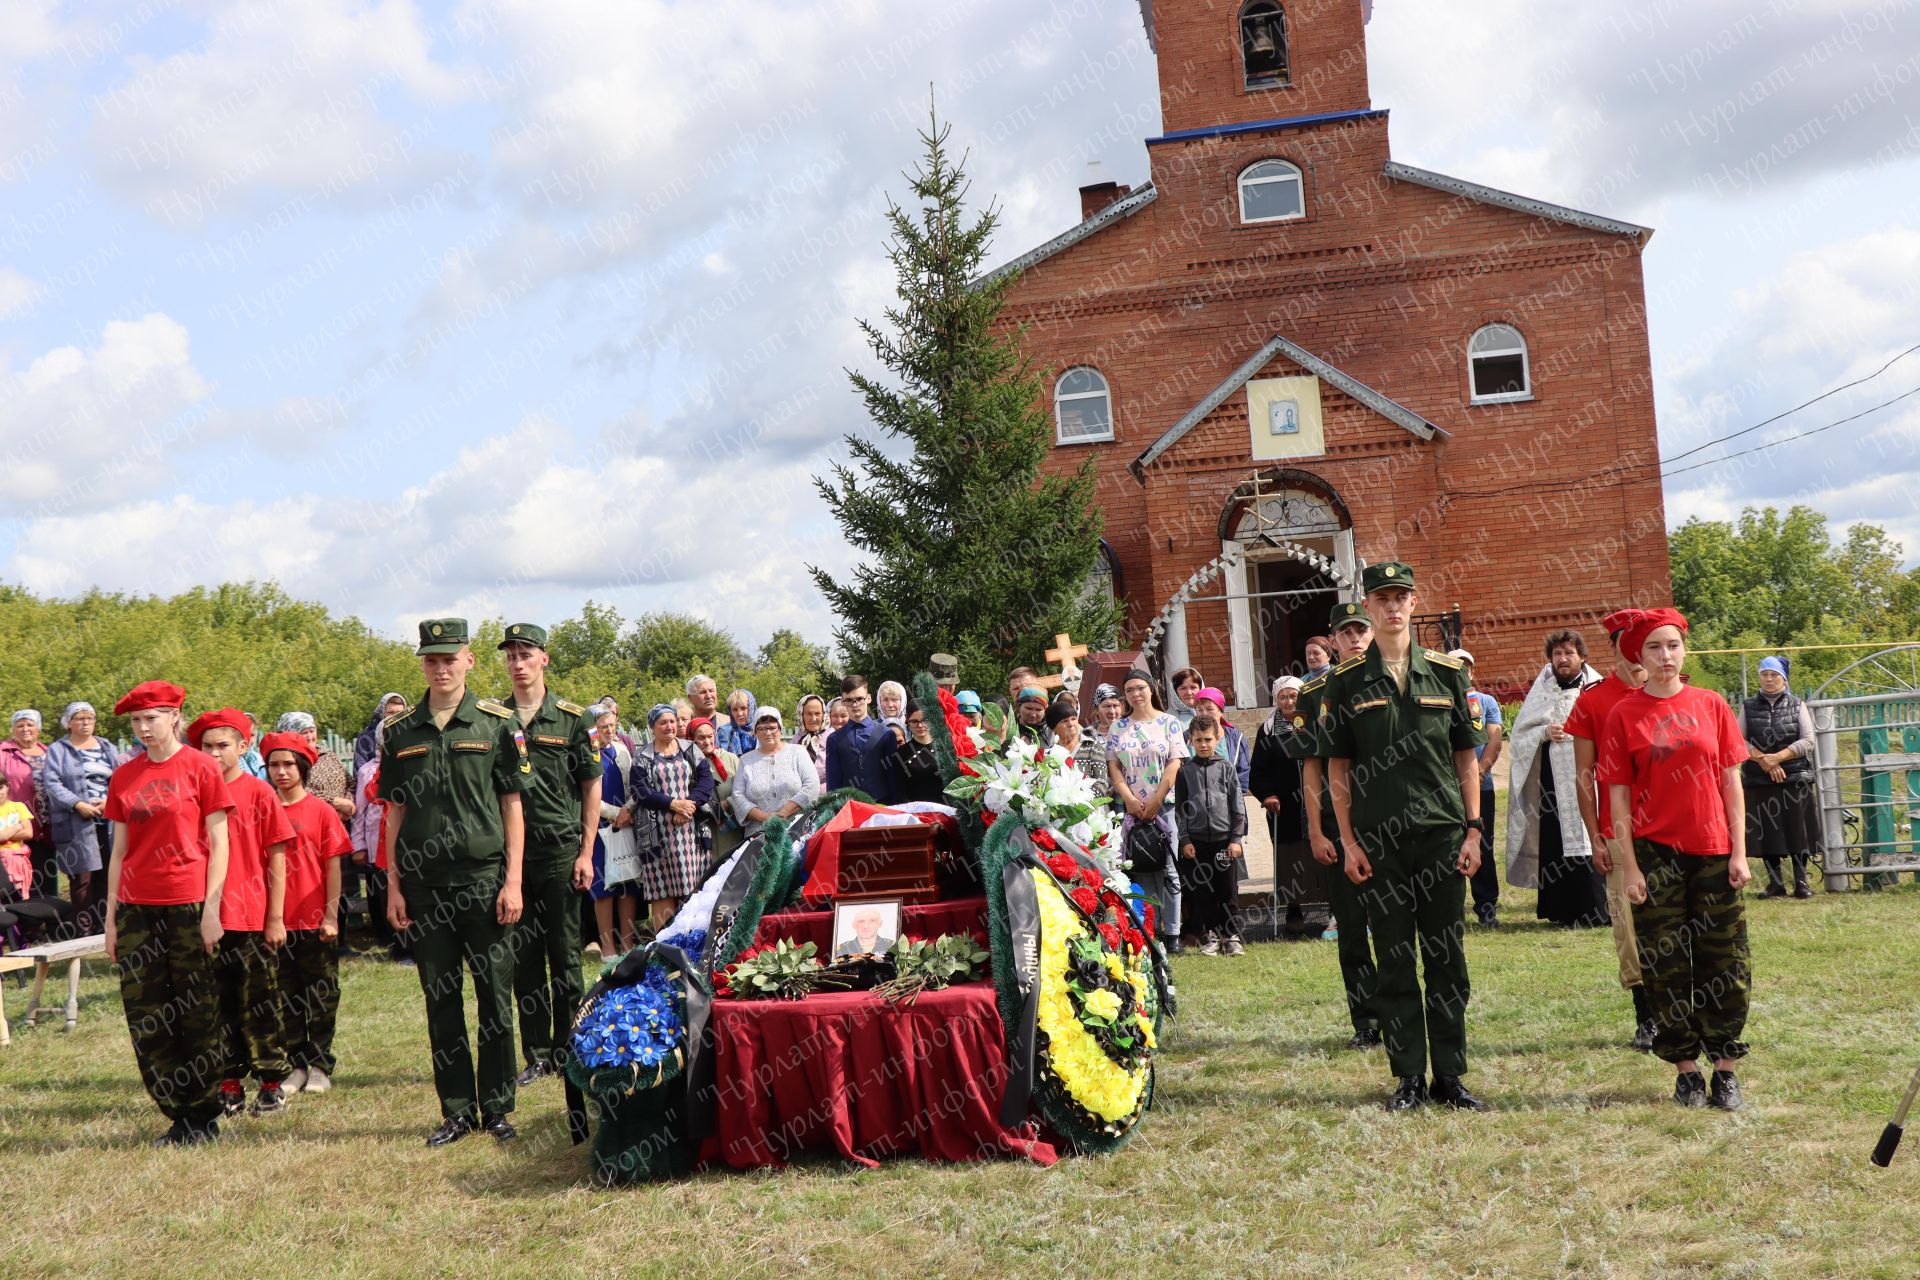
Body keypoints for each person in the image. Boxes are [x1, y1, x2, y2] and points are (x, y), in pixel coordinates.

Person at [1323, 563, 1488, 1113]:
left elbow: (1467, 758)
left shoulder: (1446, 674)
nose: (1392, 608)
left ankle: (1450, 1074)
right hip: (1378, 844)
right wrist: (1346, 841)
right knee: (1393, 958)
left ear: (1415, 604)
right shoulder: (1344, 683)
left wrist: (1474, 827)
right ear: (1366, 607)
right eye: (1382, 599)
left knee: (1447, 957)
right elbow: (1338, 771)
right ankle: (1409, 1077)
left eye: (1401, 598)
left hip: (1442, 836)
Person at [380, 618, 527, 1147]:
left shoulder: (495, 724)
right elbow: (393, 813)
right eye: (431, 659)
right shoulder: (399, 733)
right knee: (440, 999)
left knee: (494, 995)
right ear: (422, 663)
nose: (440, 668)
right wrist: (394, 887)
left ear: (468, 660)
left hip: (484, 880)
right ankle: (458, 1110)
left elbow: (512, 805)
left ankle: (498, 1106)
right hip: (423, 887)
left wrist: (513, 881)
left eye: (450, 658)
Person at [1601, 608, 1752, 1112]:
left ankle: (1725, 1069)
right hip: (1654, 854)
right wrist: (1631, 866)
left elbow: (1731, 784)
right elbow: (1618, 797)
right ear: (1638, 656)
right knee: (1666, 965)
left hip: (1713, 851)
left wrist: (1739, 851)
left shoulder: (1711, 705)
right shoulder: (1625, 713)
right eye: (1653, 648)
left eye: (1672, 646)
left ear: (1684, 650)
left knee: (1725, 962)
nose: (1665, 656)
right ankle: (1686, 1070)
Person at [103, 680, 235, 1145]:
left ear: (175, 717)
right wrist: (110, 921)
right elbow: (118, 853)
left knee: (197, 1010)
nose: (143, 728)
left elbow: (220, 842)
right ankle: (176, 1113)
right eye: (136, 721)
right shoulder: (123, 775)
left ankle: (204, 1113)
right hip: (136, 910)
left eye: (152, 718)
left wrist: (211, 909)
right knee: (147, 1015)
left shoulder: (201, 767)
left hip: (188, 904)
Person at [497, 622, 601, 1087]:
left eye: (526, 654)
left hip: (560, 850)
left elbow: (591, 784)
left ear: (544, 660)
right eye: (511, 655)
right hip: (511, 857)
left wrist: (586, 851)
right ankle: (537, 1052)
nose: (518, 663)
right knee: (523, 958)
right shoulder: (493, 718)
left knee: (565, 955)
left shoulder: (573, 719)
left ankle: (570, 1047)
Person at [190, 709, 295, 1117]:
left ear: (244, 746)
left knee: (260, 1001)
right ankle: (229, 1081)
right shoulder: (193, 792)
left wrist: (275, 917)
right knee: (216, 1004)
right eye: (207, 746)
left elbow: (277, 858)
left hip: (250, 915)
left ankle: (271, 1081)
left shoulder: (259, 792)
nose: (215, 753)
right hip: (204, 917)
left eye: (223, 745)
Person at [1566, 608, 1656, 1052]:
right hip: (1619, 832)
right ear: (1615, 645)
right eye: (1628, 637)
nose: (1638, 646)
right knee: (1629, 927)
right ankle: (1646, 1017)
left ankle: (1682, 1007)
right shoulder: (1593, 700)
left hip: (1675, 828)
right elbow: (1584, 776)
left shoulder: (1676, 693)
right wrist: (1593, 835)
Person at [1293, 603, 1382, 1044]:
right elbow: (1311, 769)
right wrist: (1315, 829)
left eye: (1361, 630)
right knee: (1351, 928)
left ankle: (1400, 1012)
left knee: (1394, 924)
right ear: (1332, 640)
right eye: (1346, 632)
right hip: (1336, 822)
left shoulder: (1392, 681)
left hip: (1388, 821)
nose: (1355, 638)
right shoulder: (1315, 694)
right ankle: (1365, 1021)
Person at [263, 731, 352, 1096]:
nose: (281, 772)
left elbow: (333, 869)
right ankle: (296, 1065)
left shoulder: (321, 812)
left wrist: (331, 916)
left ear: (302, 767)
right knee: (285, 996)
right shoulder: (263, 811)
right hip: (274, 923)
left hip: (314, 920)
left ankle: (319, 1064)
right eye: (273, 765)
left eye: (288, 764)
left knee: (320, 994)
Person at [1506, 631, 1608, 928]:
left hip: (1589, 777)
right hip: (1551, 783)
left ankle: (1596, 909)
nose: (1563, 659)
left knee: (1591, 837)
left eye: (1569, 653)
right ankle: (1562, 911)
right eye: (1557, 654)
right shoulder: (1542, 689)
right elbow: (1521, 735)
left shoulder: (1597, 687)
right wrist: (1543, 733)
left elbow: (1611, 728)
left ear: (1582, 656)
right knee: (1555, 840)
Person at [1107, 668, 1187, 952]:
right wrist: (1128, 798)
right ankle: (1147, 930)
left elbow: (1174, 763)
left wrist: (1156, 799)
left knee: (1169, 870)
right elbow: (1114, 766)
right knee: (1138, 868)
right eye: (1129, 690)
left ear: (1151, 689)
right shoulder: (1118, 727)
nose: (1136, 694)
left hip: (1164, 807)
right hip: (1130, 810)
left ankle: (1174, 933)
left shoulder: (1169, 723)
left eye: (1140, 688)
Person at [630, 704, 715, 934]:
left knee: (693, 888)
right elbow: (640, 790)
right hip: (657, 835)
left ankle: (693, 940)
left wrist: (689, 806)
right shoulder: (643, 756)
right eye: (662, 722)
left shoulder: (690, 748)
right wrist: (672, 805)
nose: (669, 726)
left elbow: (706, 781)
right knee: (662, 890)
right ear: (652, 727)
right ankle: (664, 944)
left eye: (672, 721)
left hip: (690, 830)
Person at [41, 702, 123, 938]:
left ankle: (105, 925)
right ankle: (84, 927)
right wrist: (78, 804)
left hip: (108, 821)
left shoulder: (107, 746)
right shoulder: (59, 749)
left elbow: (120, 779)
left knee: (107, 874)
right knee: (82, 877)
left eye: (90, 718)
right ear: (69, 722)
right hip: (75, 822)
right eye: (79, 718)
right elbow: (52, 783)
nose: (85, 723)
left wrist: (109, 801)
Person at [1740, 655, 1818, 899]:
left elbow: (1807, 740)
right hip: (1759, 779)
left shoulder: (1797, 704)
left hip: (1794, 777)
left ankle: (1801, 882)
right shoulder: (1748, 706)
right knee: (1767, 832)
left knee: (1798, 830)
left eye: (1774, 674)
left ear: (1784, 678)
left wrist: (1779, 757)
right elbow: (1737, 740)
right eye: (1764, 674)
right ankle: (1775, 884)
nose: (1769, 679)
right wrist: (1764, 759)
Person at [1252, 675, 1319, 939]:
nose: (1289, 701)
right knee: (1291, 859)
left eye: (1293, 696)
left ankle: (1333, 908)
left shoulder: (1314, 724)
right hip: (1285, 808)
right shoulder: (1268, 730)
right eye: (1283, 697)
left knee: (1321, 854)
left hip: (1316, 803)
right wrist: (1267, 795)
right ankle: (1294, 910)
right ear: (1276, 700)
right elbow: (1257, 772)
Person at [1176, 718, 1247, 955]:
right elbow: (1181, 809)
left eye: (1208, 739)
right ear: (1191, 741)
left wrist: (1236, 839)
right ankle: (1213, 936)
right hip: (1196, 843)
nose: (1203, 745)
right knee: (1204, 892)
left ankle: (1232, 936)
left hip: (1224, 841)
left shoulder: (1226, 767)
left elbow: (1238, 806)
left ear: (1218, 738)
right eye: (1198, 740)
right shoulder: (1185, 772)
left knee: (1228, 891)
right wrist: (1185, 839)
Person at [1452, 650, 1505, 926]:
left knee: (1481, 845)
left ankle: (1486, 906)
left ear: (1472, 672)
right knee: (1448, 846)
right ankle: (1450, 908)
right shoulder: (1442, 701)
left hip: (1481, 787)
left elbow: (1494, 740)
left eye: (1467, 668)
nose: (1462, 671)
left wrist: (1478, 773)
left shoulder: (1485, 702)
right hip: (1446, 789)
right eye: (1456, 667)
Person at [585, 703, 641, 957]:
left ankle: (628, 943)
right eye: (602, 727)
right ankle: (607, 947)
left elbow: (633, 785)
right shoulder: (584, 753)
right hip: (598, 827)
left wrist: (628, 810)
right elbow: (586, 794)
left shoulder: (621, 750)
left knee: (627, 882)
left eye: (611, 726)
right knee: (603, 886)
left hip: (625, 823)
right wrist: (614, 814)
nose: (608, 731)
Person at [733, 706, 822, 836]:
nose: (768, 733)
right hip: (759, 834)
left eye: (772, 728)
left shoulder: (798, 752)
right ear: (755, 732)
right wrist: (765, 817)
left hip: (797, 830)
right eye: (762, 729)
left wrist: (783, 813)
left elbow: (812, 786)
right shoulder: (746, 760)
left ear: (780, 729)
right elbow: (738, 796)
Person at [2, 709, 52, 896]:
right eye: (20, 725)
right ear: (13, 728)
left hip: (46, 828)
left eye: (30, 724)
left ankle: (48, 920)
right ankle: (22, 924)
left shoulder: (49, 752)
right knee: (17, 881)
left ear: (38, 728)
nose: (25, 729)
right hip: (16, 828)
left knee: (45, 877)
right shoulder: (3, 752)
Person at [686, 716, 744, 863]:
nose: (706, 741)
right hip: (703, 831)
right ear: (692, 739)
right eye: (701, 738)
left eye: (710, 736)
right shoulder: (686, 763)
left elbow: (745, 789)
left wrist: (728, 803)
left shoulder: (730, 759)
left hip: (731, 828)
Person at [825, 676, 884, 794]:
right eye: (849, 700)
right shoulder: (834, 739)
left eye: (859, 699)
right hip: (849, 807)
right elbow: (833, 783)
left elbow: (892, 778)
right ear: (843, 701)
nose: (855, 704)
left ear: (868, 698)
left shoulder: (886, 734)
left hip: (881, 806)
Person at [1186, 687, 1250, 791]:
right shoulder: (1187, 737)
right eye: (1200, 710)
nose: (1204, 713)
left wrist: (1235, 796)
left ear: (1221, 711)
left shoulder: (1236, 738)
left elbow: (1243, 770)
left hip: (1228, 799)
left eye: (1210, 709)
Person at [1051, 700, 1109, 799]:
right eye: (1064, 721)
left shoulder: (1093, 747)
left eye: (1073, 719)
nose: (1071, 724)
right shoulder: (1050, 753)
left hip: (1088, 809)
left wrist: (1077, 801)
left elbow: (1102, 784)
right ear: (1054, 727)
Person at [894, 701, 946, 804]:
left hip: (946, 811)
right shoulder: (901, 753)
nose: (920, 725)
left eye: (925, 720)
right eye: (914, 721)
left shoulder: (945, 748)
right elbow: (900, 791)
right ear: (907, 722)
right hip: (917, 814)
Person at [354, 692, 409, 775]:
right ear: (382, 712)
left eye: (399, 713)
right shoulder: (366, 738)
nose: (395, 717)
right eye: (390, 712)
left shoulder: (411, 734)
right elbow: (359, 771)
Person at [0, 777, 34, 898]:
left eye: (1, 788)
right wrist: (17, 827)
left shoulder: (18, 807)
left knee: (18, 898)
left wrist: (4, 834)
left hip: (16, 863)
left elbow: (29, 833)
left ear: (7, 786)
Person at [792, 694, 831, 787]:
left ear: (823, 714)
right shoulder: (796, 740)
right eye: (809, 714)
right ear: (801, 714)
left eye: (817, 714)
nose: (813, 719)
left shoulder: (832, 737)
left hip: (828, 795)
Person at [718, 689, 759, 756]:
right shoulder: (724, 732)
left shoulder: (762, 730)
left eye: (743, 708)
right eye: (735, 709)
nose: (739, 713)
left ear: (751, 708)